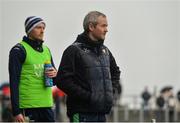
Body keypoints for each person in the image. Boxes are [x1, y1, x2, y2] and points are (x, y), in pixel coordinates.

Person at [56, 11, 121, 122]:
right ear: (91, 26)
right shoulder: (73, 50)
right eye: (103, 26)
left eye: (107, 26)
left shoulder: (105, 51)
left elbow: (116, 71)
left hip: (101, 114)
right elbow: (62, 80)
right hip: (82, 114)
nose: (106, 29)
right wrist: (88, 96)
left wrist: (111, 92)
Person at [9, 16, 57, 122]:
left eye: (43, 28)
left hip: (47, 105)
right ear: (29, 30)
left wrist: (55, 74)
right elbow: (14, 81)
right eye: (38, 28)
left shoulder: (46, 50)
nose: (42, 31)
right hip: (28, 107)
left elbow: (54, 81)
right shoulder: (18, 50)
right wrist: (16, 111)